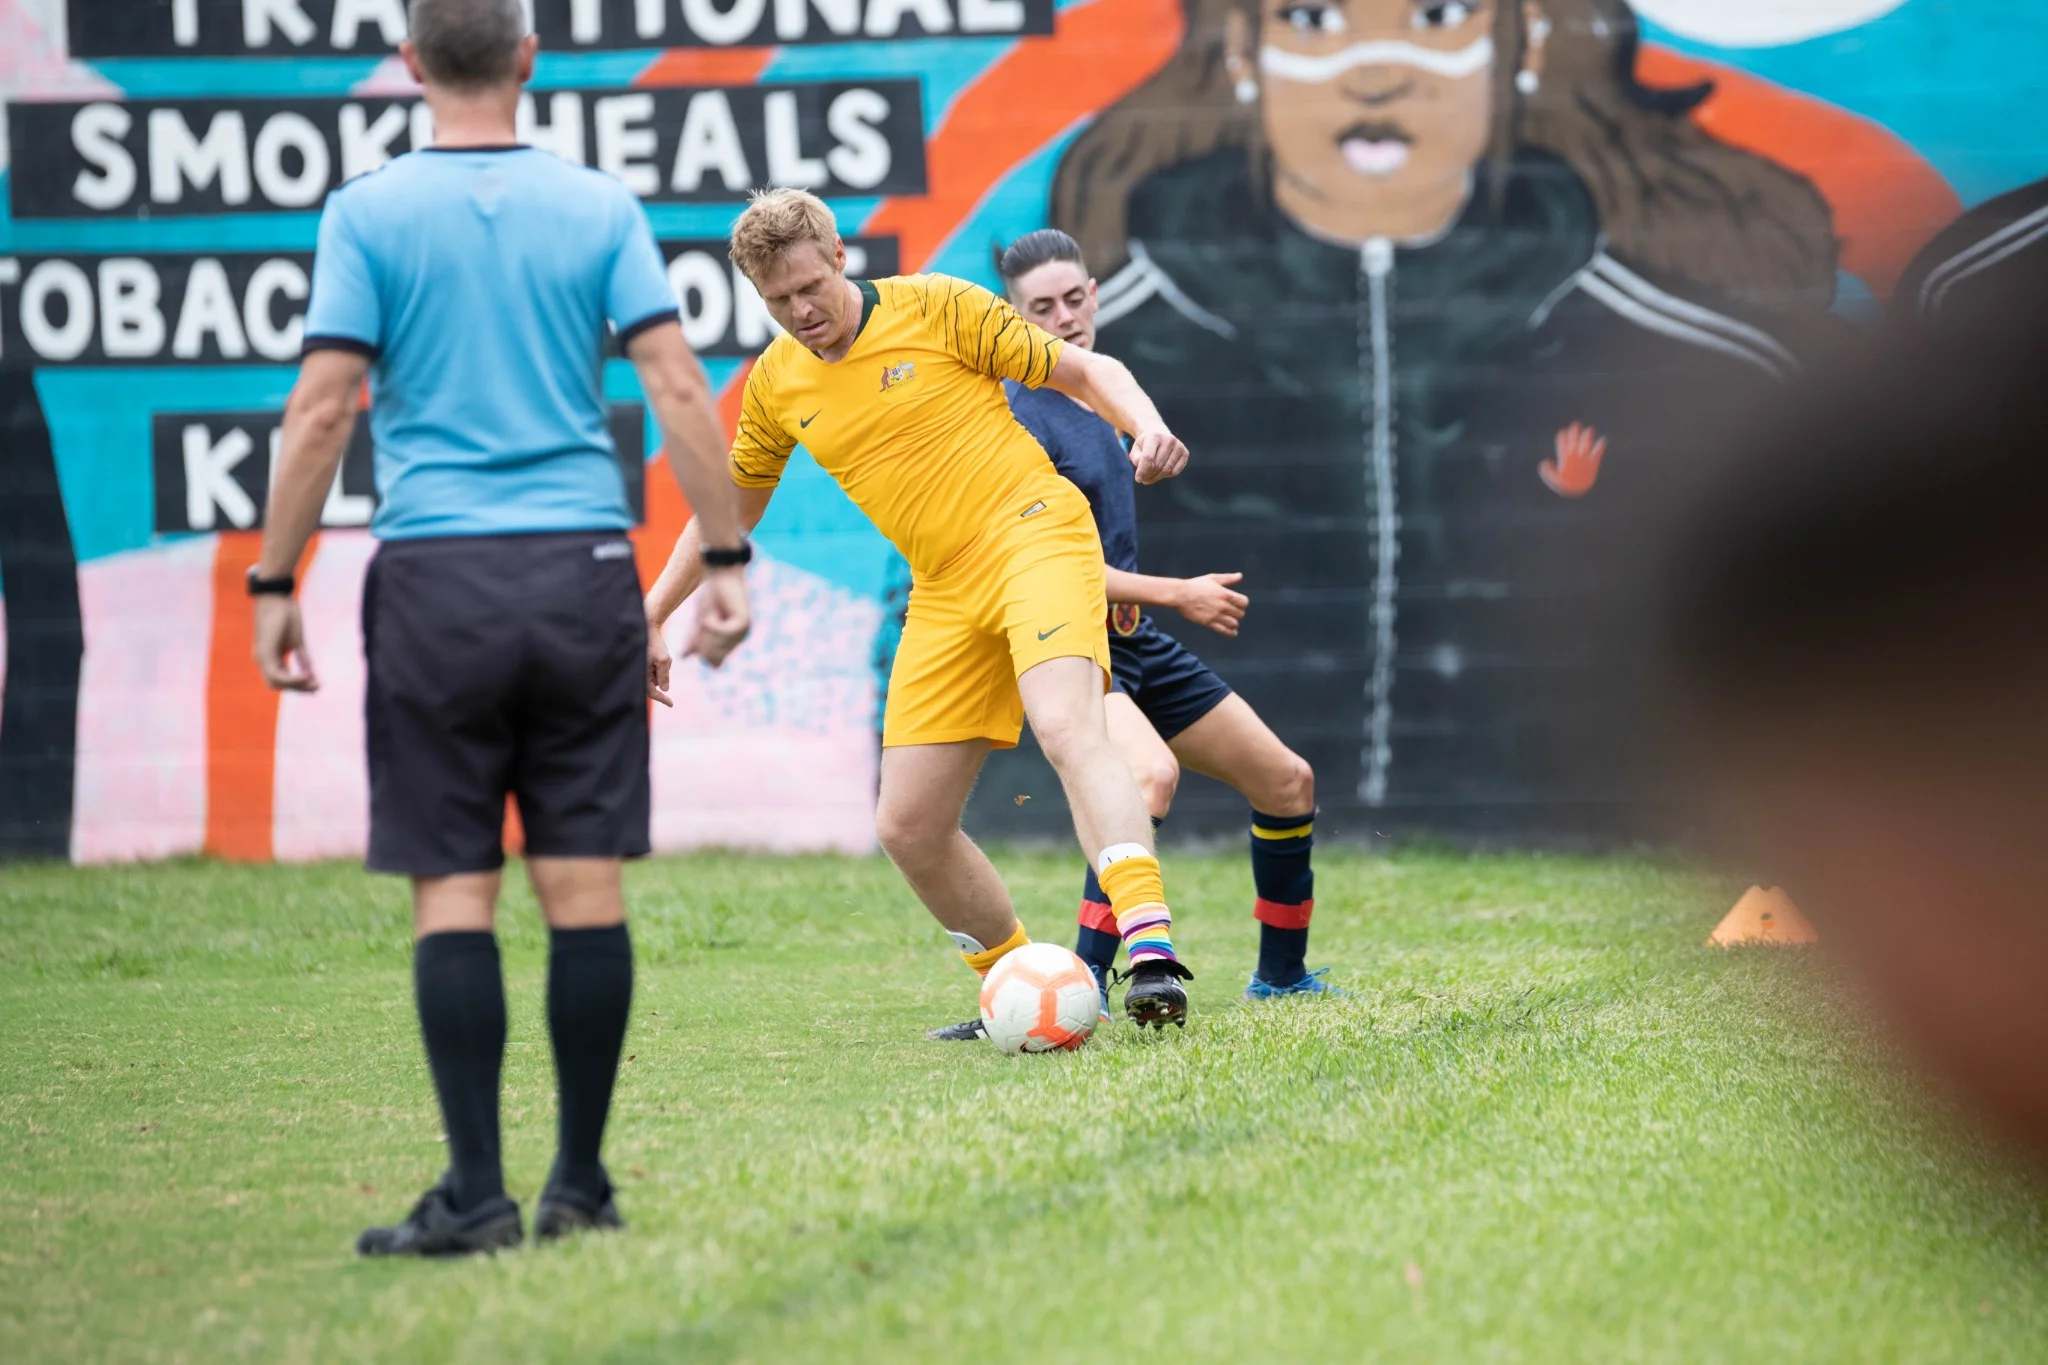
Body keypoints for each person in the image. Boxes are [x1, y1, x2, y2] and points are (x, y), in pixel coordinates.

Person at [1051, 0, 1831, 842]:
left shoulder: (1712, 367)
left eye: (1437, 14)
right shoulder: (1083, 371)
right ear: (1243, 49)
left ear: (1523, 38)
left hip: (1604, 829)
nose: (1377, 70)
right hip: (1161, 781)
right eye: (1313, 18)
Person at [251, 0, 750, 1258]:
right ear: (529, 58)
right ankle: (578, 1185)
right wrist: (727, 556)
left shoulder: (366, 212)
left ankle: (475, 1195)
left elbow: (319, 412)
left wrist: (274, 580)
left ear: (411, 63)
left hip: (435, 583)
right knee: (584, 888)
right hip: (582, 574)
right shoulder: (597, 207)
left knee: (454, 893)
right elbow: (680, 384)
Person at [644, 189, 1198, 1032]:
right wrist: (650, 618)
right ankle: (1026, 992)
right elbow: (731, 509)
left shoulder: (936, 306)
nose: (800, 313)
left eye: (809, 288)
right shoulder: (778, 382)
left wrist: (1146, 424)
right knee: (907, 825)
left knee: (1065, 726)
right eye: (777, 302)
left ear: (838, 256)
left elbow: (1084, 369)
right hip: (941, 587)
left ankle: (1152, 952)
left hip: (1035, 534)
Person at [993, 229, 1334, 1002]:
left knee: (1287, 781)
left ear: (1096, 296)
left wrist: (1149, 445)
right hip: (1072, 645)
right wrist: (1179, 591)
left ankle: (1281, 978)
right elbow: (1050, 567)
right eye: (1041, 308)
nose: (1065, 318)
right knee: (1146, 777)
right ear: (1014, 320)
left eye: (1075, 298)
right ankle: (1085, 981)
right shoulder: (1018, 419)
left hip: (1134, 642)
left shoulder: (1106, 390)